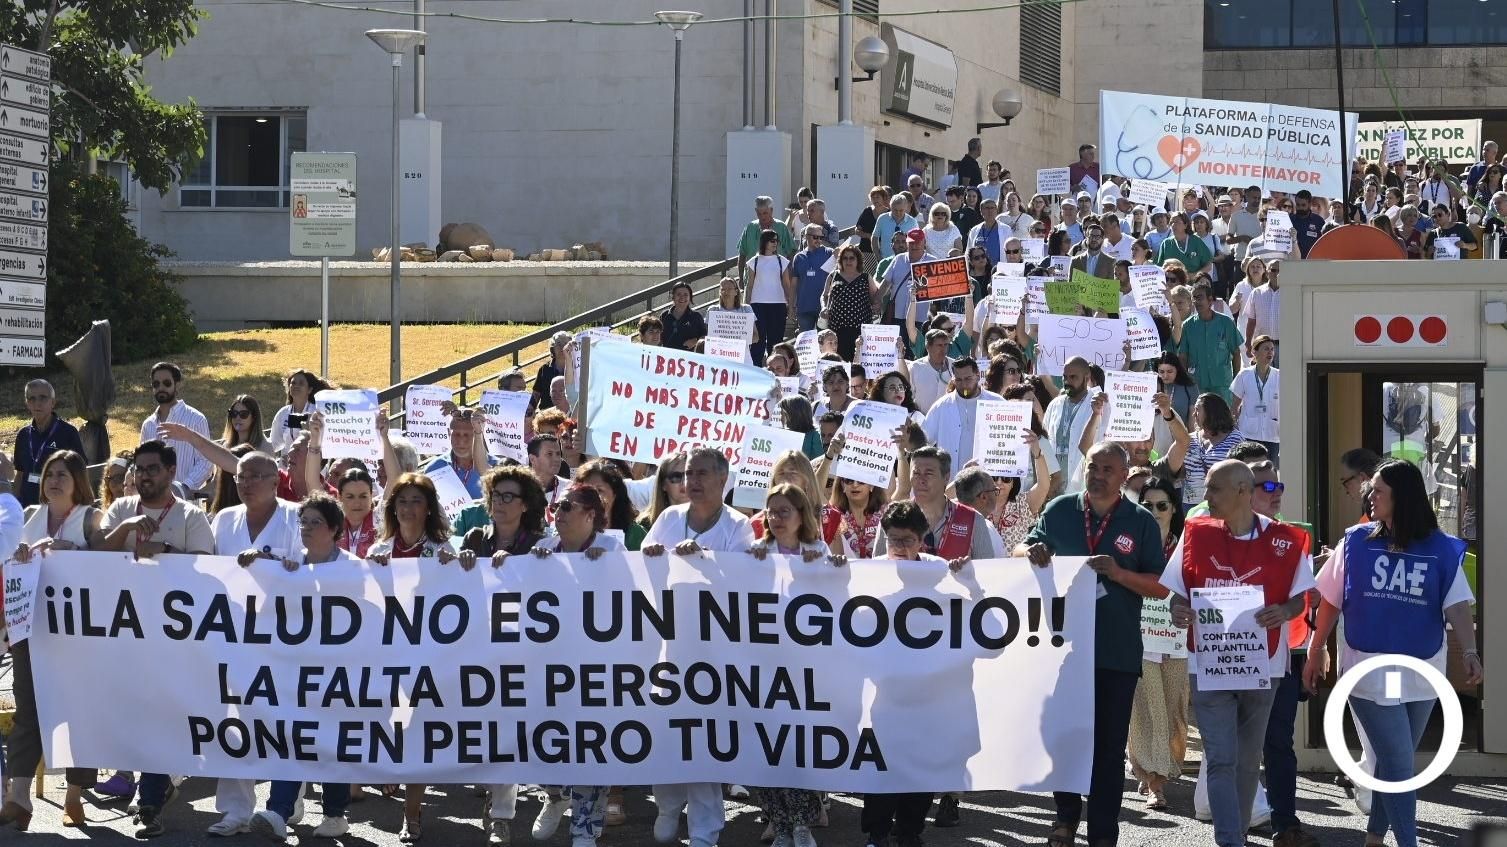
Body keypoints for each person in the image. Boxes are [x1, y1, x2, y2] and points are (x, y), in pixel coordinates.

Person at [1304, 460, 1482, 847]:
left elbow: (1456, 606)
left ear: (1403, 497)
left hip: (1422, 672)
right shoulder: (1354, 541)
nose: (1371, 495)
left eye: (1379, 490)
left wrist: (1470, 650)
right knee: (1401, 766)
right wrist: (1316, 648)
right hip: (1366, 671)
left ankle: (1373, 838)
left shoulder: (1440, 548)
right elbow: (1331, 600)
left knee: (1391, 763)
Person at [1017, 443, 1167, 847]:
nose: (1098, 474)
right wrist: (1030, 551)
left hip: (1115, 653)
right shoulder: (1060, 510)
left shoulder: (1140, 522)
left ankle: (1103, 832)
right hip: (1061, 651)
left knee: (1107, 749)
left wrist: (1118, 574)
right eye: (1092, 466)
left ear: (1123, 475)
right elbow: (1021, 550)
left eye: (1107, 468)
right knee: (1064, 737)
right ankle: (1064, 818)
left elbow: (1158, 586)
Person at [1162, 460, 1313, 847]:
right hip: (1208, 663)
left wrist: (1284, 611)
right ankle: (1230, 840)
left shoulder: (1288, 540)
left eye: (1214, 489)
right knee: (1221, 757)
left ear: (1243, 492)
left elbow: (1301, 598)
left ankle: (1238, 832)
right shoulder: (1195, 533)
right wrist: (1178, 609)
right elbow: (1178, 590)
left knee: (1248, 761)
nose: (1205, 497)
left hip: (1264, 665)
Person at [642, 448, 755, 847]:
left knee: (704, 736)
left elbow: (743, 582)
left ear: (723, 479)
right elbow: (642, 575)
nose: (692, 481)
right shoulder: (669, 519)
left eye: (702, 473)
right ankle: (669, 805)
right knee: (668, 732)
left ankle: (706, 828)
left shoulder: (739, 527)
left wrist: (705, 560)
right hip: (669, 647)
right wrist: (652, 557)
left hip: (715, 652)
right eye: (688, 473)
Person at [242, 494, 358, 841]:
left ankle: (335, 814)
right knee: (291, 738)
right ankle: (278, 810)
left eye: (315, 522)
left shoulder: (354, 568)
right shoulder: (289, 564)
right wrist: (256, 562)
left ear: (334, 529)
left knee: (332, 742)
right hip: (294, 673)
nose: (305, 528)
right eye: (302, 521)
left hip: (340, 673)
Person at [3, 450, 103, 829]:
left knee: (77, 712)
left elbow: (110, 566)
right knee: (28, 711)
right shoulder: (29, 518)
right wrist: (19, 554)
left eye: (62, 474)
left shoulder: (92, 518)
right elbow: (10, 567)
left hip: (78, 635)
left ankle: (74, 796)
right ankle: (19, 798)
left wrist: (75, 552)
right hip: (32, 630)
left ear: (78, 480)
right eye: (48, 475)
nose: (54, 481)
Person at [209, 450, 303, 837]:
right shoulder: (224, 519)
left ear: (274, 479)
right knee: (236, 722)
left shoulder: (295, 516)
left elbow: (305, 564)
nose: (245, 484)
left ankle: (286, 805)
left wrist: (268, 557)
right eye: (240, 477)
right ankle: (235, 808)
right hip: (235, 635)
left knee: (284, 722)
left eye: (254, 476)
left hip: (285, 637)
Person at [366, 473, 458, 842]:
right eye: (401, 501)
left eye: (416, 501)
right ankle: (389, 773)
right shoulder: (377, 552)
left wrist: (460, 566)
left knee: (418, 729)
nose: (408, 508)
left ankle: (412, 813)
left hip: (428, 657)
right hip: (383, 656)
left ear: (429, 508)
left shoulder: (445, 552)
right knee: (385, 725)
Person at [1126, 476, 1187, 811]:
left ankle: (1156, 767)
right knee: (1146, 712)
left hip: (1177, 641)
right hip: (1140, 638)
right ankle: (1154, 782)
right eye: (1146, 505)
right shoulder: (1130, 544)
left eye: (1161, 505)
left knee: (1175, 712)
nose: (1153, 511)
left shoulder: (1186, 546)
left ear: (1173, 508)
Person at [879, 446, 994, 561]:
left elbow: (987, 572)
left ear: (946, 477)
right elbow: (876, 569)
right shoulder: (893, 517)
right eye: (916, 473)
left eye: (928, 474)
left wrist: (965, 571)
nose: (921, 480)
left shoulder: (973, 520)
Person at [140, 362, 214, 493]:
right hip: (153, 501)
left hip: (186, 504)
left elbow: (206, 462)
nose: (161, 387)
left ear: (177, 384)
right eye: (156, 384)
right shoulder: (148, 425)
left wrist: (184, 488)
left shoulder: (196, 419)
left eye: (166, 383)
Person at [11, 378, 86, 506]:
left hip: (57, 508)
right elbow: (20, 473)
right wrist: (15, 503)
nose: (37, 403)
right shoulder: (23, 435)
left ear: (53, 402)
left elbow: (80, 472)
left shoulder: (68, 433)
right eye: (32, 399)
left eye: (43, 398)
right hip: (27, 508)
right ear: (27, 404)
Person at [920, 358, 1001, 471]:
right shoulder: (941, 406)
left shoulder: (997, 403)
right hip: (952, 480)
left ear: (978, 376)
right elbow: (924, 439)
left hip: (986, 479)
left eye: (968, 379)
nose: (964, 384)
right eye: (959, 380)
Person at [1177, 282, 1243, 403]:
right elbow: (1183, 356)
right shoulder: (1187, 325)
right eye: (1194, 298)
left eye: (1200, 297)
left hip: (1222, 383)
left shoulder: (1226, 322)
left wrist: (1237, 381)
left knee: (1223, 418)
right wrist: (1186, 380)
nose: (1197, 301)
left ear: (1210, 300)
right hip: (1197, 382)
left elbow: (1236, 352)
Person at [1043, 357, 1099, 494]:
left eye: (1073, 377)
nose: (1067, 381)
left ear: (1086, 378)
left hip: (1082, 486)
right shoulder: (1055, 404)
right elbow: (1044, 443)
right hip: (1054, 487)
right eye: (1064, 377)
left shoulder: (1097, 405)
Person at [421, 407, 495, 499]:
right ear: (449, 433)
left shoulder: (496, 467)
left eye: (467, 435)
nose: (461, 441)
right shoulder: (434, 468)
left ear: (478, 434)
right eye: (456, 434)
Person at [745, 228, 794, 366]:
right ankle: (756, 368)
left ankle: (775, 368)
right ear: (764, 242)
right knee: (757, 340)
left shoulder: (781, 261)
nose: (775, 243)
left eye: (777, 241)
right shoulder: (754, 261)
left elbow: (787, 285)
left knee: (776, 341)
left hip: (778, 304)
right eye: (772, 240)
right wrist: (745, 308)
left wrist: (791, 307)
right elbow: (749, 286)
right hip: (757, 304)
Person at [575, 459, 647, 550]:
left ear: (615, 494)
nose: (592, 496)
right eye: (586, 490)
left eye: (600, 490)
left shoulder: (635, 534)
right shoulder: (568, 530)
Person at [820, 244, 876, 360]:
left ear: (858, 260)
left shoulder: (865, 277)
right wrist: (824, 307)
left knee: (859, 362)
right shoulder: (833, 275)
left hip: (861, 328)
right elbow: (824, 296)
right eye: (845, 258)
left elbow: (875, 297)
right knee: (839, 362)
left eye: (852, 258)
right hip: (838, 328)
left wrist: (877, 304)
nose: (848, 261)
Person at [1231, 336, 1281, 465]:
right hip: (1248, 434)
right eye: (1266, 349)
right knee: (1249, 473)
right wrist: (1234, 430)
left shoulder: (1280, 376)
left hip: (1272, 434)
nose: (1270, 352)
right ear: (1255, 352)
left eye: (1272, 349)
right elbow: (1234, 407)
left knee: (1270, 473)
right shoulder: (1244, 375)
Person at [269, 369, 331, 453]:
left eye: (301, 383)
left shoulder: (317, 412)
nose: (296, 386)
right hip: (286, 462)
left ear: (309, 390)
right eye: (293, 383)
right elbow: (274, 444)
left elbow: (325, 442)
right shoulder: (283, 413)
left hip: (310, 461)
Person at [792, 224, 835, 332]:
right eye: (815, 237)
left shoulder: (829, 253)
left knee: (823, 342)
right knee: (806, 342)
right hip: (804, 308)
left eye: (821, 237)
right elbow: (793, 285)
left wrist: (839, 255)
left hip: (824, 308)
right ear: (806, 236)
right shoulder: (799, 257)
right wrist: (791, 307)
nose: (819, 240)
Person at [738, 195, 796, 274]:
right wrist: (740, 277)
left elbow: (791, 253)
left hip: (777, 277)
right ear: (756, 211)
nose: (762, 217)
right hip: (753, 278)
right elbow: (742, 254)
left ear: (771, 210)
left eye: (765, 213)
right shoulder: (750, 228)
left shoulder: (781, 227)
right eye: (759, 213)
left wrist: (790, 276)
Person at [334, 466, 380, 557]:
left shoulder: (380, 519)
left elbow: (393, 477)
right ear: (339, 497)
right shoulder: (332, 524)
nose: (357, 503)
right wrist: (314, 451)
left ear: (371, 496)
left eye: (363, 496)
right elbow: (312, 482)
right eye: (350, 497)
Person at [660, 282, 708, 352]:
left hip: (689, 359)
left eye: (686, 294)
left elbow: (705, 337)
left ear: (690, 297)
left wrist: (696, 341)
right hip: (668, 358)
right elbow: (658, 337)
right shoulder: (664, 315)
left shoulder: (696, 317)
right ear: (673, 297)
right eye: (678, 294)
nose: (682, 297)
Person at [873, 192, 918, 260]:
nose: (898, 213)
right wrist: (878, 257)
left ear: (906, 208)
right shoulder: (882, 219)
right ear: (890, 207)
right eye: (895, 210)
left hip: (906, 261)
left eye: (901, 210)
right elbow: (874, 238)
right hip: (885, 260)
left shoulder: (912, 222)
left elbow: (916, 242)